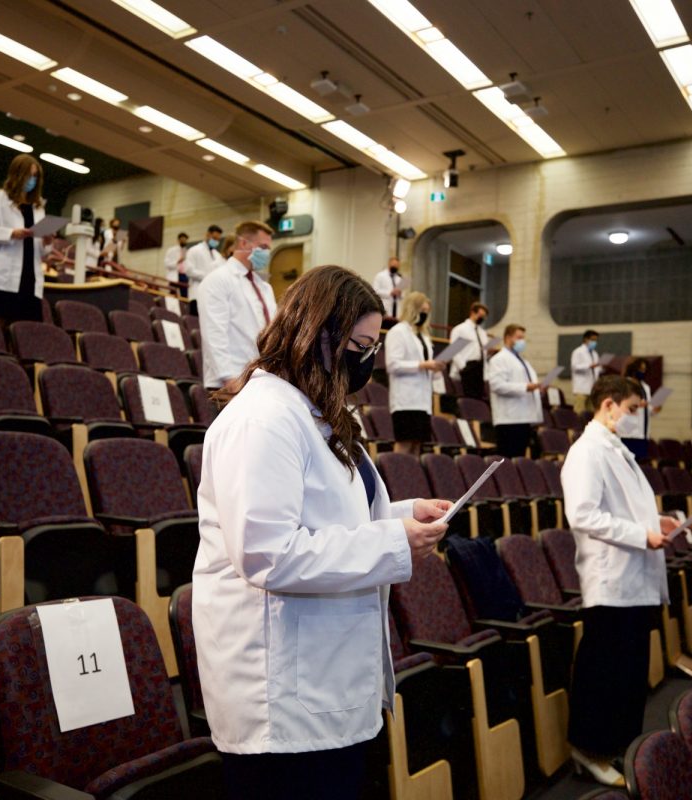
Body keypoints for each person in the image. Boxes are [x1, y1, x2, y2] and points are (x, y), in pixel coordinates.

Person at [194, 264, 451, 800]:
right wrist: (393, 540)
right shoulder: (263, 418)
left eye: (374, 344)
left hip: (323, 679)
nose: (368, 359)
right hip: (282, 696)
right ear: (318, 334)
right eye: (360, 343)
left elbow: (330, 519)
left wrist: (403, 515)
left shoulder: (312, 414)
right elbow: (269, 554)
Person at [562, 375, 674, 786]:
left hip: (634, 577)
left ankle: (620, 747)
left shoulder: (618, 451)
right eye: (631, 410)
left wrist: (655, 523)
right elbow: (584, 515)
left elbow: (625, 509)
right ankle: (588, 749)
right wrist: (639, 534)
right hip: (611, 578)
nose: (635, 419)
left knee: (628, 673)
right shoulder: (587, 452)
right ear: (608, 405)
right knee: (604, 670)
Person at [197, 221, 278, 390]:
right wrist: (228, 378)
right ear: (243, 243)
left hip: (263, 379)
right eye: (263, 247)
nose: (266, 253)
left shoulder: (264, 287)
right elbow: (214, 333)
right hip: (232, 380)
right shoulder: (218, 280)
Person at [0, 154, 52, 324]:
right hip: (1, 280)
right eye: (29, 175)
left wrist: (47, 242)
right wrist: (11, 234)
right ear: (17, 174)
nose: (32, 180)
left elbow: (42, 252)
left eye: (35, 176)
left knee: (26, 338)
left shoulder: (38, 207)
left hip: (30, 282)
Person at [385, 292, 443, 455]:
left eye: (427, 311)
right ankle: (397, 477)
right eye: (422, 310)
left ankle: (412, 479)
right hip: (406, 399)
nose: (425, 315)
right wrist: (422, 365)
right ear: (413, 309)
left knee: (417, 445)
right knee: (404, 443)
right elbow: (393, 364)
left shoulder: (423, 336)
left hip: (423, 401)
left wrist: (436, 369)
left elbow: (428, 366)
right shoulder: (398, 332)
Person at [487, 323, 543, 458]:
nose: (522, 341)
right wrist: (525, 387)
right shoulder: (499, 359)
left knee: (519, 459)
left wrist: (537, 389)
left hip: (524, 417)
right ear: (507, 338)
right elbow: (497, 385)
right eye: (518, 337)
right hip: (509, 419)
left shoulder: (523, 361)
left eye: (523, 338)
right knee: (508, 459)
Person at [618, 358, 658, 461]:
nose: (642, 372)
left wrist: (655, 409)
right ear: (634, 369)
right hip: (628, 433)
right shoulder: (625, 384)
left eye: (644, 369)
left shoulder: (646, 387)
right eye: (640, 369)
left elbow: (648, 410)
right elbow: (620, 404)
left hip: (642, 434)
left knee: (640, 463)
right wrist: (636, 404)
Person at [448, 302, 489, 400]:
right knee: (467, 399)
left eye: (484, 316)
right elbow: (454, 351)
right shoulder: (460, 329)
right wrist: (463, 367)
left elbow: (483, 351)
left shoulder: (482, 333)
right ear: (473, 313)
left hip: (479, 369)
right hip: (466, 368)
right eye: (480, 315)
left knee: (478, 400)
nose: (482, 318)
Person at [184, 224, 224, 289]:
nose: (216, 241)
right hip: (197, 290)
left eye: (218, 240)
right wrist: (207, 276)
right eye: (214, 238)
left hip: (213, 291)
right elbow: (189, 270)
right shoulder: (194, 250)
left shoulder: (217, 255)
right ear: (207, 234)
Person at [570, 329, 601, 411]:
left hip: (592, 388)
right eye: (593, 340)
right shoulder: (578, 352)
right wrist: (589, 366)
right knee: (579, 411)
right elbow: (575, 367)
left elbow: (596, 370)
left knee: (591, 412)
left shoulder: (595, 353)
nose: (594, 342)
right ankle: (577, 424)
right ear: (585, 339)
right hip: (581, 388)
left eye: (596, 340)